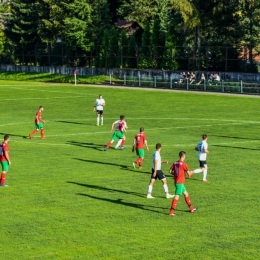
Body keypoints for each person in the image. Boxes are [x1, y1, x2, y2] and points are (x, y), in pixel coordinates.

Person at [169, 151, 198, 216]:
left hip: (177, 181)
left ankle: (191, 209)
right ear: (184, 156)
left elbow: (170, 171)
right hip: (180, 182)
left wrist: (175, 175)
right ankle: (171, 212)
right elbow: (189, 174)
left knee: (186, 194)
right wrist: (193, 172)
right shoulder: (184, 164)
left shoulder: (175, 162)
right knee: (177, 196)